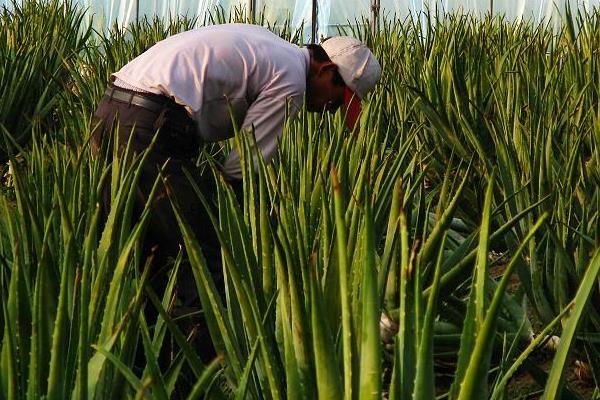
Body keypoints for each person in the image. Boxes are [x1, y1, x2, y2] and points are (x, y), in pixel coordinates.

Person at [90, 22, 381, 313]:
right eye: (336, 100)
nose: (329, 109)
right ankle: (204, 354)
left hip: (112, 110)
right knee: (206, 258)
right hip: (149, 125)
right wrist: (239, 225)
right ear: (326, 71)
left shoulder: (270, 44)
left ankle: (142, 348)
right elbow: (245, 165)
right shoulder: (291, 79)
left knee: (144, 250)